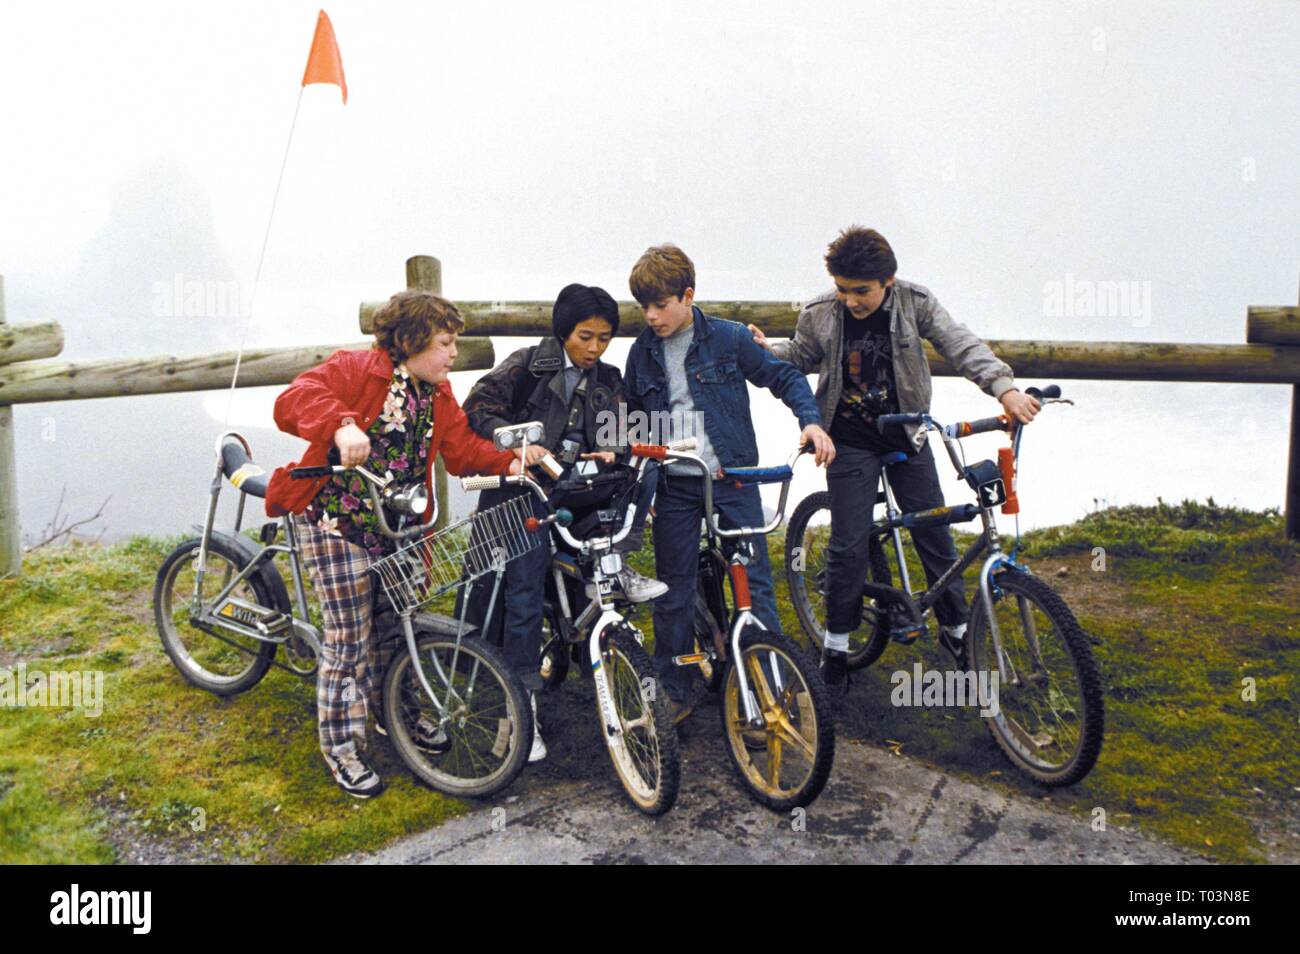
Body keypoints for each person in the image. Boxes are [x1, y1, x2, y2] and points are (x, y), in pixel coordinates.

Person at [748, 227, 1040, 686]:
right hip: (849, 439)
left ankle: (958, 632)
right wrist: (767, 350)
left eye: (861, 291)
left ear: (888, 280)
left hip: (907, 433)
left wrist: (1004, 389)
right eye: (843, 290)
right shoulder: (822, 312)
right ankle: (837, 647)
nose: (850, 300)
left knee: (933, 529)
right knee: (849, 544)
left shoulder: (914, 302)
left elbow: (959, 344)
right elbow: (803, 354)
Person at [265, 290, 524, 798]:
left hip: (396, 529)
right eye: (445, 343)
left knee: (395, 625)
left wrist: (509, 461)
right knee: (349, 638)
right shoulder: (358, 369)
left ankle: (397, 716)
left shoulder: (438, 394)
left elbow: (462, 449)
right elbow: (292, 400)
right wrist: (341, 425)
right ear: (411, 341)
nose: (453, 354)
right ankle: (341, 748)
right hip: (334, 522)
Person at [623, 244, 835, 723]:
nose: (651, 316)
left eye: (660, 305)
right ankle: (675, 689)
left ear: (688, 295)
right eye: (644, 307)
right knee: (671, 591)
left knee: (754, 584)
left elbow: (784, 376)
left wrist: (811, 422)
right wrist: (644, 486)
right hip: (674, 485)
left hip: (734, 480)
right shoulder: (641, 353)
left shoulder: (729, 338)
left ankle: (770, 690)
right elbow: (635, 422)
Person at [461, 282, 667, 762]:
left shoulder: (610, 380)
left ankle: (609, 585)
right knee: (523, 596)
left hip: (582, 495)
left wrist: (614, 449)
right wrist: (514, 444)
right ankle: (519, 713)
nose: (594, 348)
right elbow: (477, 407)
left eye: (603, 338)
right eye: (584, 336)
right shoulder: (529, 365)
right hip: (521, 495)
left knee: (641, 484)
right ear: (563, 331)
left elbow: (630, 433)